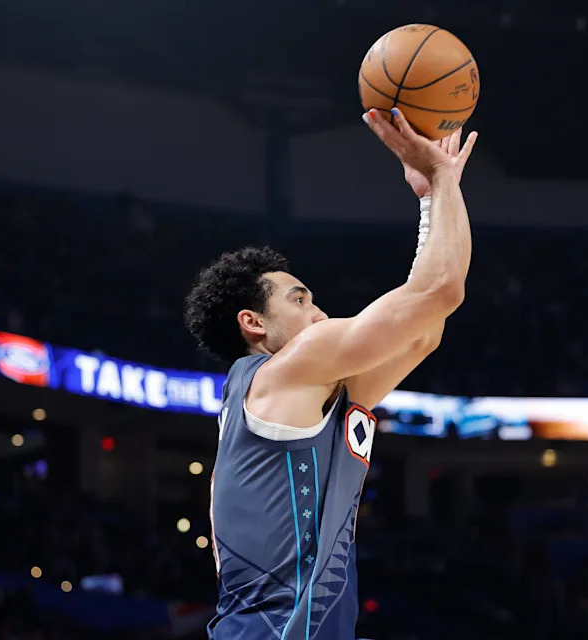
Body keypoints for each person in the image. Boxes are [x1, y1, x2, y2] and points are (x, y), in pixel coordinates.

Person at [184, 108, 478, 639]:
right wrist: (438, 181)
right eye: (299, 300)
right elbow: (441, 291)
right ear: (253, 323)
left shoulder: (303, 392)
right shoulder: (281, 373)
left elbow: (426, 328)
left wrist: (437, 197)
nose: (318, 314)